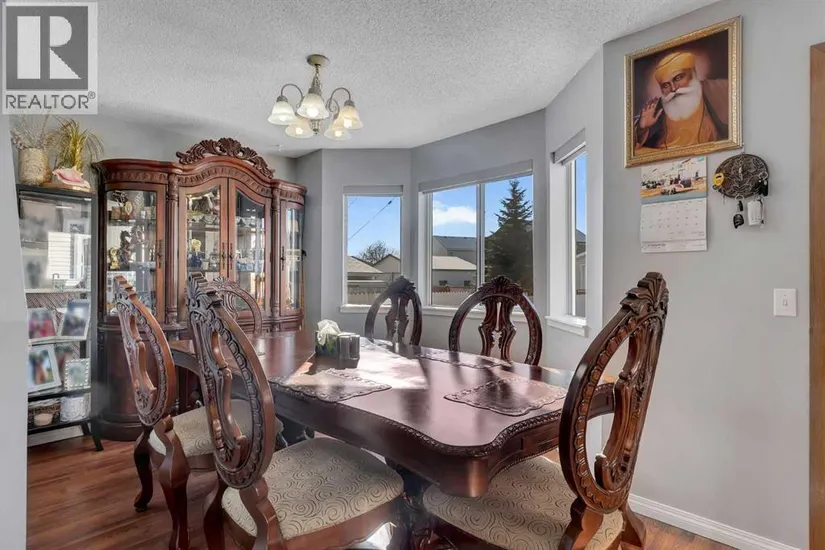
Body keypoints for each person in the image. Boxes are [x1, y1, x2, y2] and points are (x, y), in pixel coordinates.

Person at [635, 51, 728, 153]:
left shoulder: (717, 89)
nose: (673, 88)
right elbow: (634, 147)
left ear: (693, 73)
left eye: (678, 78)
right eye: (666, 85)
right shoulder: (658, 107)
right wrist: (642, 128)